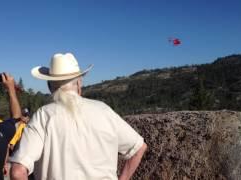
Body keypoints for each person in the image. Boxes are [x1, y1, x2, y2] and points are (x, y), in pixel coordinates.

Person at [10, 53, 147, 180]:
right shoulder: (103, 110)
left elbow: (18, 172)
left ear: (50, 86)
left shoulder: (43, 116)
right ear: (79, 82)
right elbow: (138, 148)